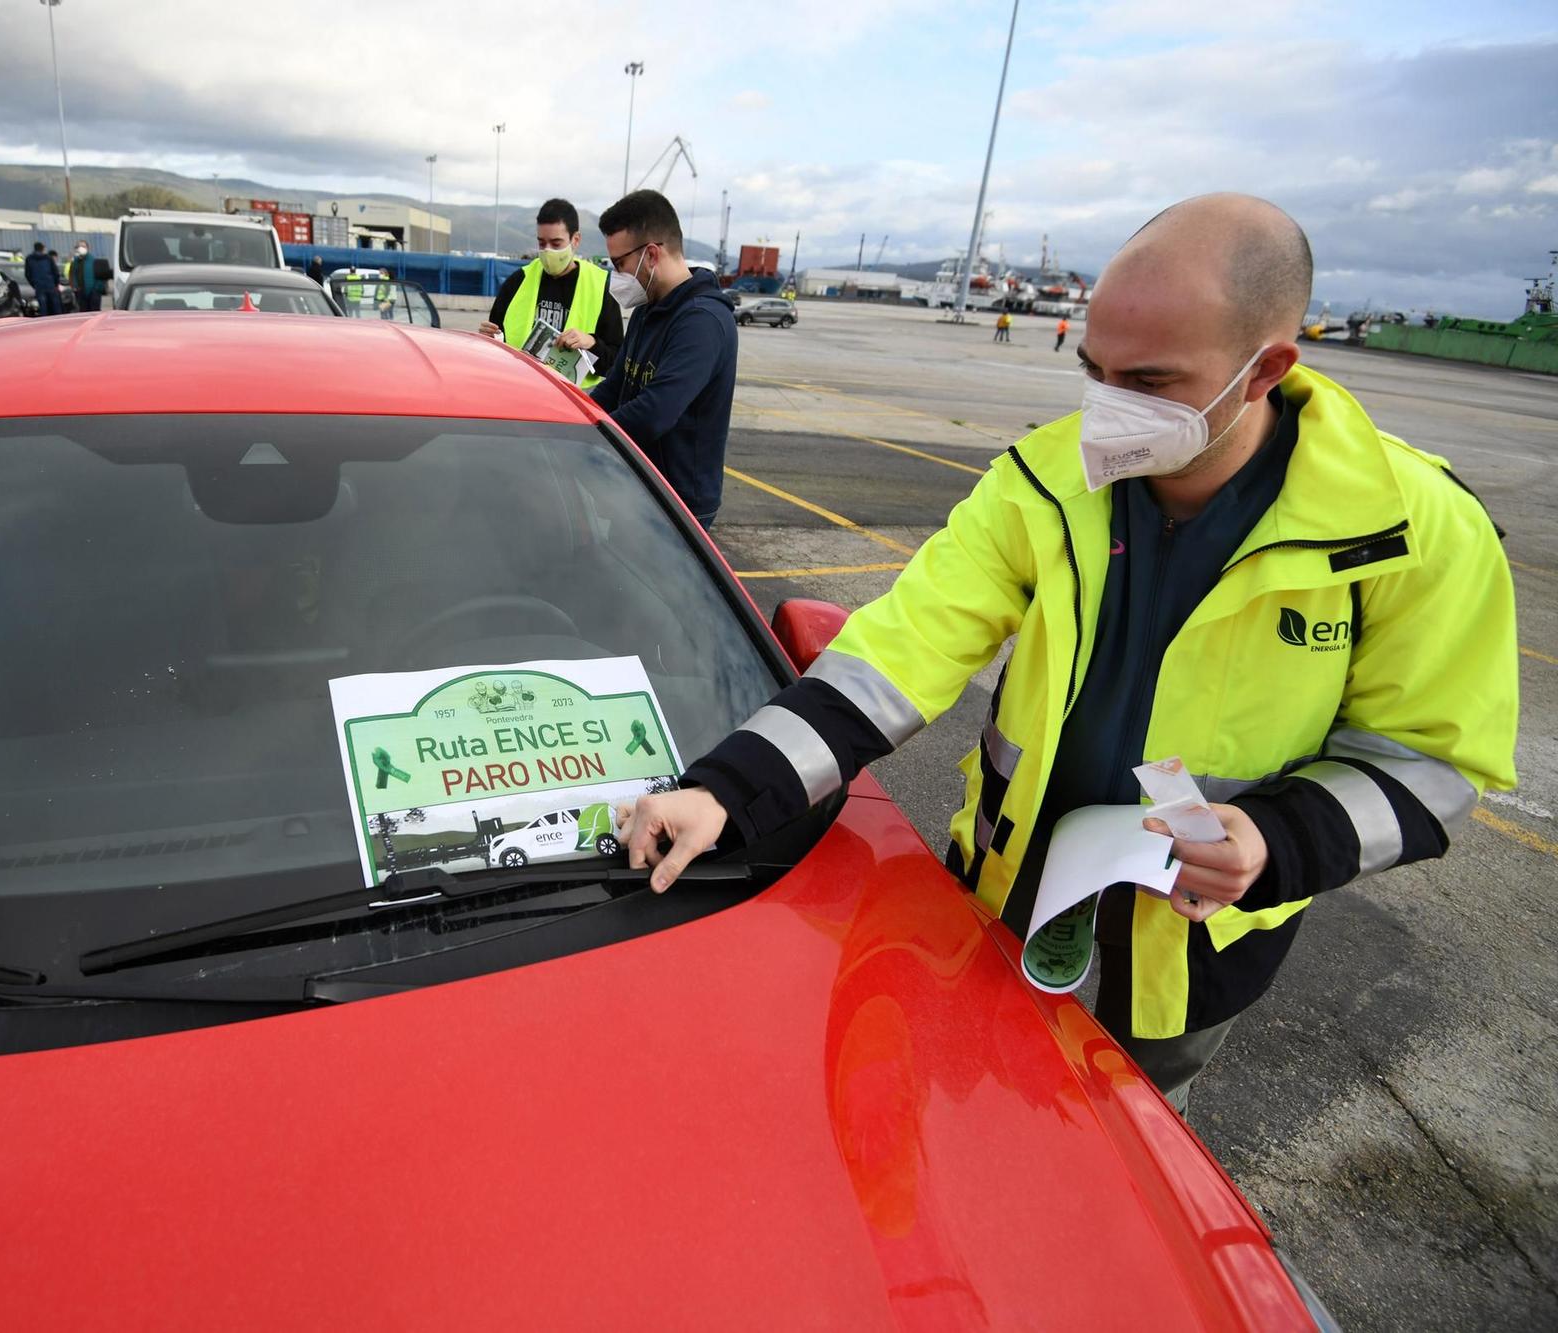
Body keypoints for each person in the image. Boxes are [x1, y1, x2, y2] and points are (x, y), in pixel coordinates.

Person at [619, 193, 1517, 1113]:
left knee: (1134, 1139)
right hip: (1006, 892)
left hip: (1199, 936)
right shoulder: (1046, 482)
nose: (1107, 410)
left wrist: (1281, 838)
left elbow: (1433, 764)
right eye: (1094, 370)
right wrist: (727, 788)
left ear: (1265, 369)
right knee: (971, 1101)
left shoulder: (1412, 530)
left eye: (1150, 381)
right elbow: (901, 648)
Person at [589, 189, 738, 528]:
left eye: (619, 264)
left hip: (678, 503)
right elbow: (614, 388)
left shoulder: (703, 322)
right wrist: (567, 413)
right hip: (640, 486)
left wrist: (585, 436)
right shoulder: (647, 309)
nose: (616, 276)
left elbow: (654, 413)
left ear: (652, 255)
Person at [480, 198, 623, 388]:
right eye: (541, 243)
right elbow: (497, 347)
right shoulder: (518, 281)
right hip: (521, 389)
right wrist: (489, 340)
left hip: (574, 400)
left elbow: (616, 362)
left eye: (556, 244)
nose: (548, 251)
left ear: (575, 240)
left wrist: (591, 343)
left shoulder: (599, 287)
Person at [24, 242, 62, 317]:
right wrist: (56, 283)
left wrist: (34, 284)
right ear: (42, 249)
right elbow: (55, 272)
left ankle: (45, 324)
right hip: (51, 285)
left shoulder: (29, 259)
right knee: (55, 307)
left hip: (39, 286)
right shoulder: (48, 258)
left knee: (43, 308)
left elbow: (28, 274)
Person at [68, 242, 103, 312]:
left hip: (93, 292)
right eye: (80, 246)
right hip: (80, 292)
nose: (81, 248)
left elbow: (100, 275)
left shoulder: (93, 260)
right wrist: (74, 286)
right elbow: (72, 274)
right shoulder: (75, 261)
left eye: (83, 246)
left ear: (88, 248)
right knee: (83, 312)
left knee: (94, 313)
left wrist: (97, 288)